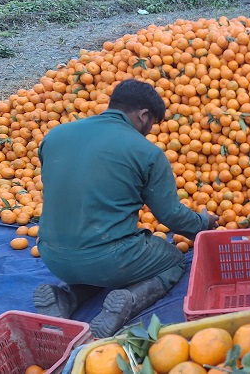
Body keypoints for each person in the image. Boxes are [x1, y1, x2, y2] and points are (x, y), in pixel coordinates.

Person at [33, 79, 218, 338]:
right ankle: (130, 300)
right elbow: (171, 215)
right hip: (110, 260)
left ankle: (66, 297)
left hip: (52, 256)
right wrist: (203, 223)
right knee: (173, 259)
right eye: (151, 124)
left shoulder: (55, 135)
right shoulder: (146, 152)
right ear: (143, 116)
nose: (149, 132)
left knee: (101, 262)